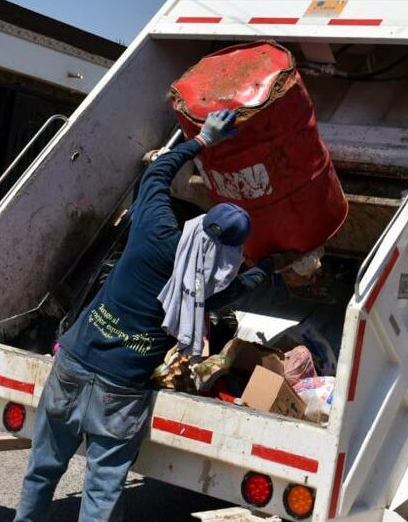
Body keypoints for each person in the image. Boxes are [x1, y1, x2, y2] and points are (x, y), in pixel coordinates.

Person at [14, 110, 270, 522]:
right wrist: (274, 265)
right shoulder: (210, 288)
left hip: (73, 364)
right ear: (229, 254)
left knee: (42, 470)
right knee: (101, 492)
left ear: (202, 223)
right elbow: (247, 283)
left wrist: (203, 140)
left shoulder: (152, 229)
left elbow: (155, 175)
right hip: (122, 391)